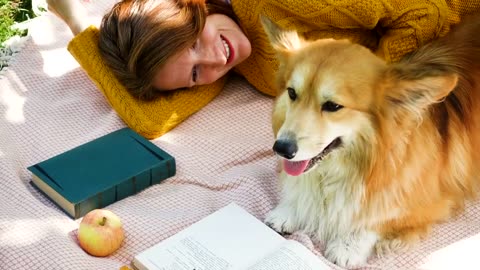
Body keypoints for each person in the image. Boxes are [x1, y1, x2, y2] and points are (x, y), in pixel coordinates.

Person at [47, 0, 480, 139]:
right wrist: (76, 23)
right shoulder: (233, 64)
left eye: (195, 42)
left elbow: (425, 11)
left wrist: (359, 87)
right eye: (195, 74)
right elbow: (150, 120)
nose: (215, 59)